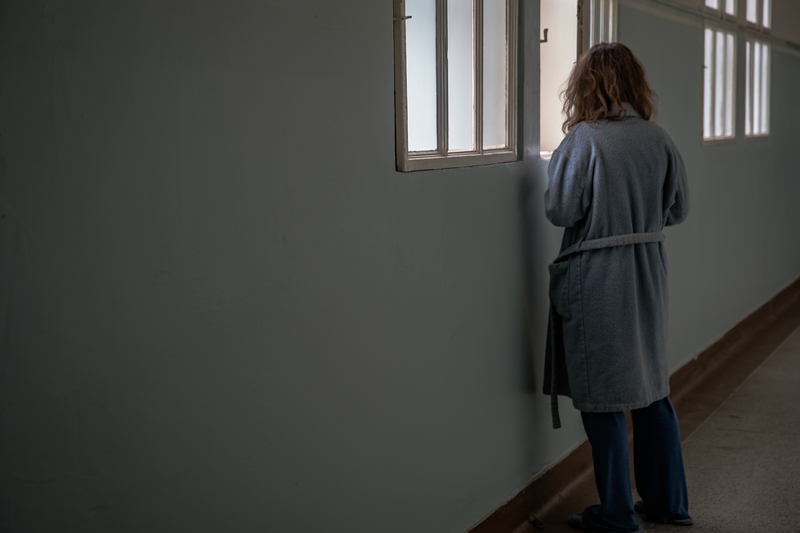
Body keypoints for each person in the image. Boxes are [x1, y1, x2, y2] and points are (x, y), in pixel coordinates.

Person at [542, 42, 692, 533]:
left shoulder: (585, 140)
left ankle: (616, 515)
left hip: (599, 279)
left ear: (584, 85)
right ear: (633, 82)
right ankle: (669, 505)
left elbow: (560, 211)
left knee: (604, 399)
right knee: (651, 388)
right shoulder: (659, 138)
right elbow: (677, 211)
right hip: (648, 271)